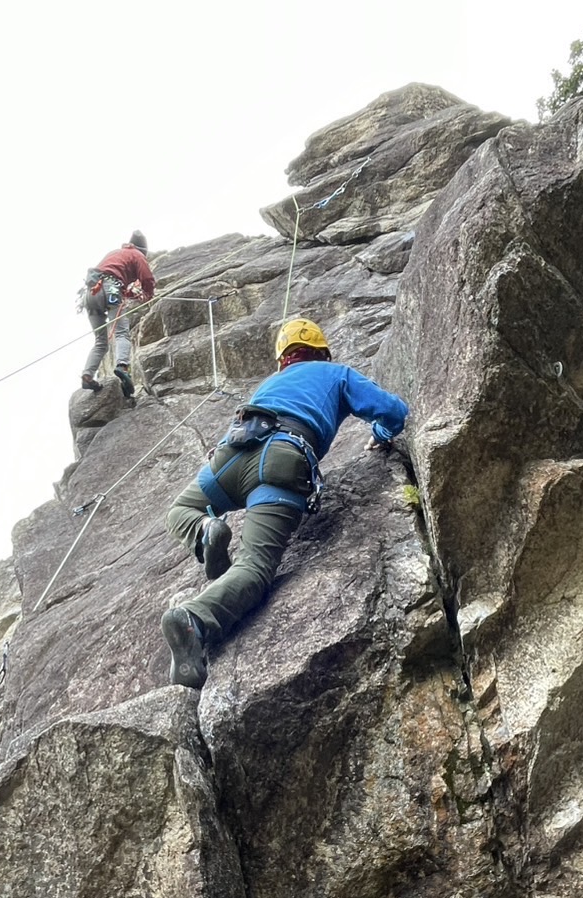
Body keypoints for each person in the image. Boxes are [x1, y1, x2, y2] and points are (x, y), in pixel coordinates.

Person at [161, 316, 409, 690]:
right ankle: (193, 620)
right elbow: (393, 411)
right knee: (255, 566)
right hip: (281, 461)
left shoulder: (268, 385)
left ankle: (205, 528)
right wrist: (382, 433)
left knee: (180, 511)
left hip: (231, 456)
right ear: (322, 353)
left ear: (283, 359)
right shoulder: (337, 374)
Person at [81, 231, 156, 399]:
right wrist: (149, 294)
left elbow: (111, 277)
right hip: (111, 289)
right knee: (122, 332)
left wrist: (129, 294)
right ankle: (122, 367)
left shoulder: (115, 253)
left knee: (100, 342)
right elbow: (147, 278)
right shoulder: (137, 254)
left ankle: (87, 375)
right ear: (142, 249)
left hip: (91, 295)